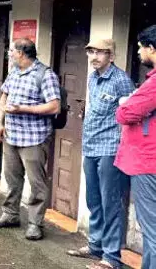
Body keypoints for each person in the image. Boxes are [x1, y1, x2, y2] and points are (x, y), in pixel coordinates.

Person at [64, 39, 134, 269]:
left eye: (100, 53)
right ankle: (95, 246)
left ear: (111, 56)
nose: (94, 56)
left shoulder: (121, 80)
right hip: (91, 145)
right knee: (93, 199)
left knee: (110, 202)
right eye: (91, 52)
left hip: (111, 149)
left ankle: (111, 258)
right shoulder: (93, 77)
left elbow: (131, 113)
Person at [0, 38, 61, 241]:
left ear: (21, 53)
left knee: (36, 183)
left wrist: (23, 109)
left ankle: (35, 224)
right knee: (12, 178)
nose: (9, 53)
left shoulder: (45, 75)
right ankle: (10, 214)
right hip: (12, 135)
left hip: (34, 138)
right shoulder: (14, 72)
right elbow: (4, 96)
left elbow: (54, 106)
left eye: (11, 50)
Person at [114, 25, 156, 269]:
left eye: (141, 47)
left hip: (148, 163)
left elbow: (125, 113)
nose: (139, 53)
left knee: (151, 228)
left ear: (152, 48)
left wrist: (125, 103)